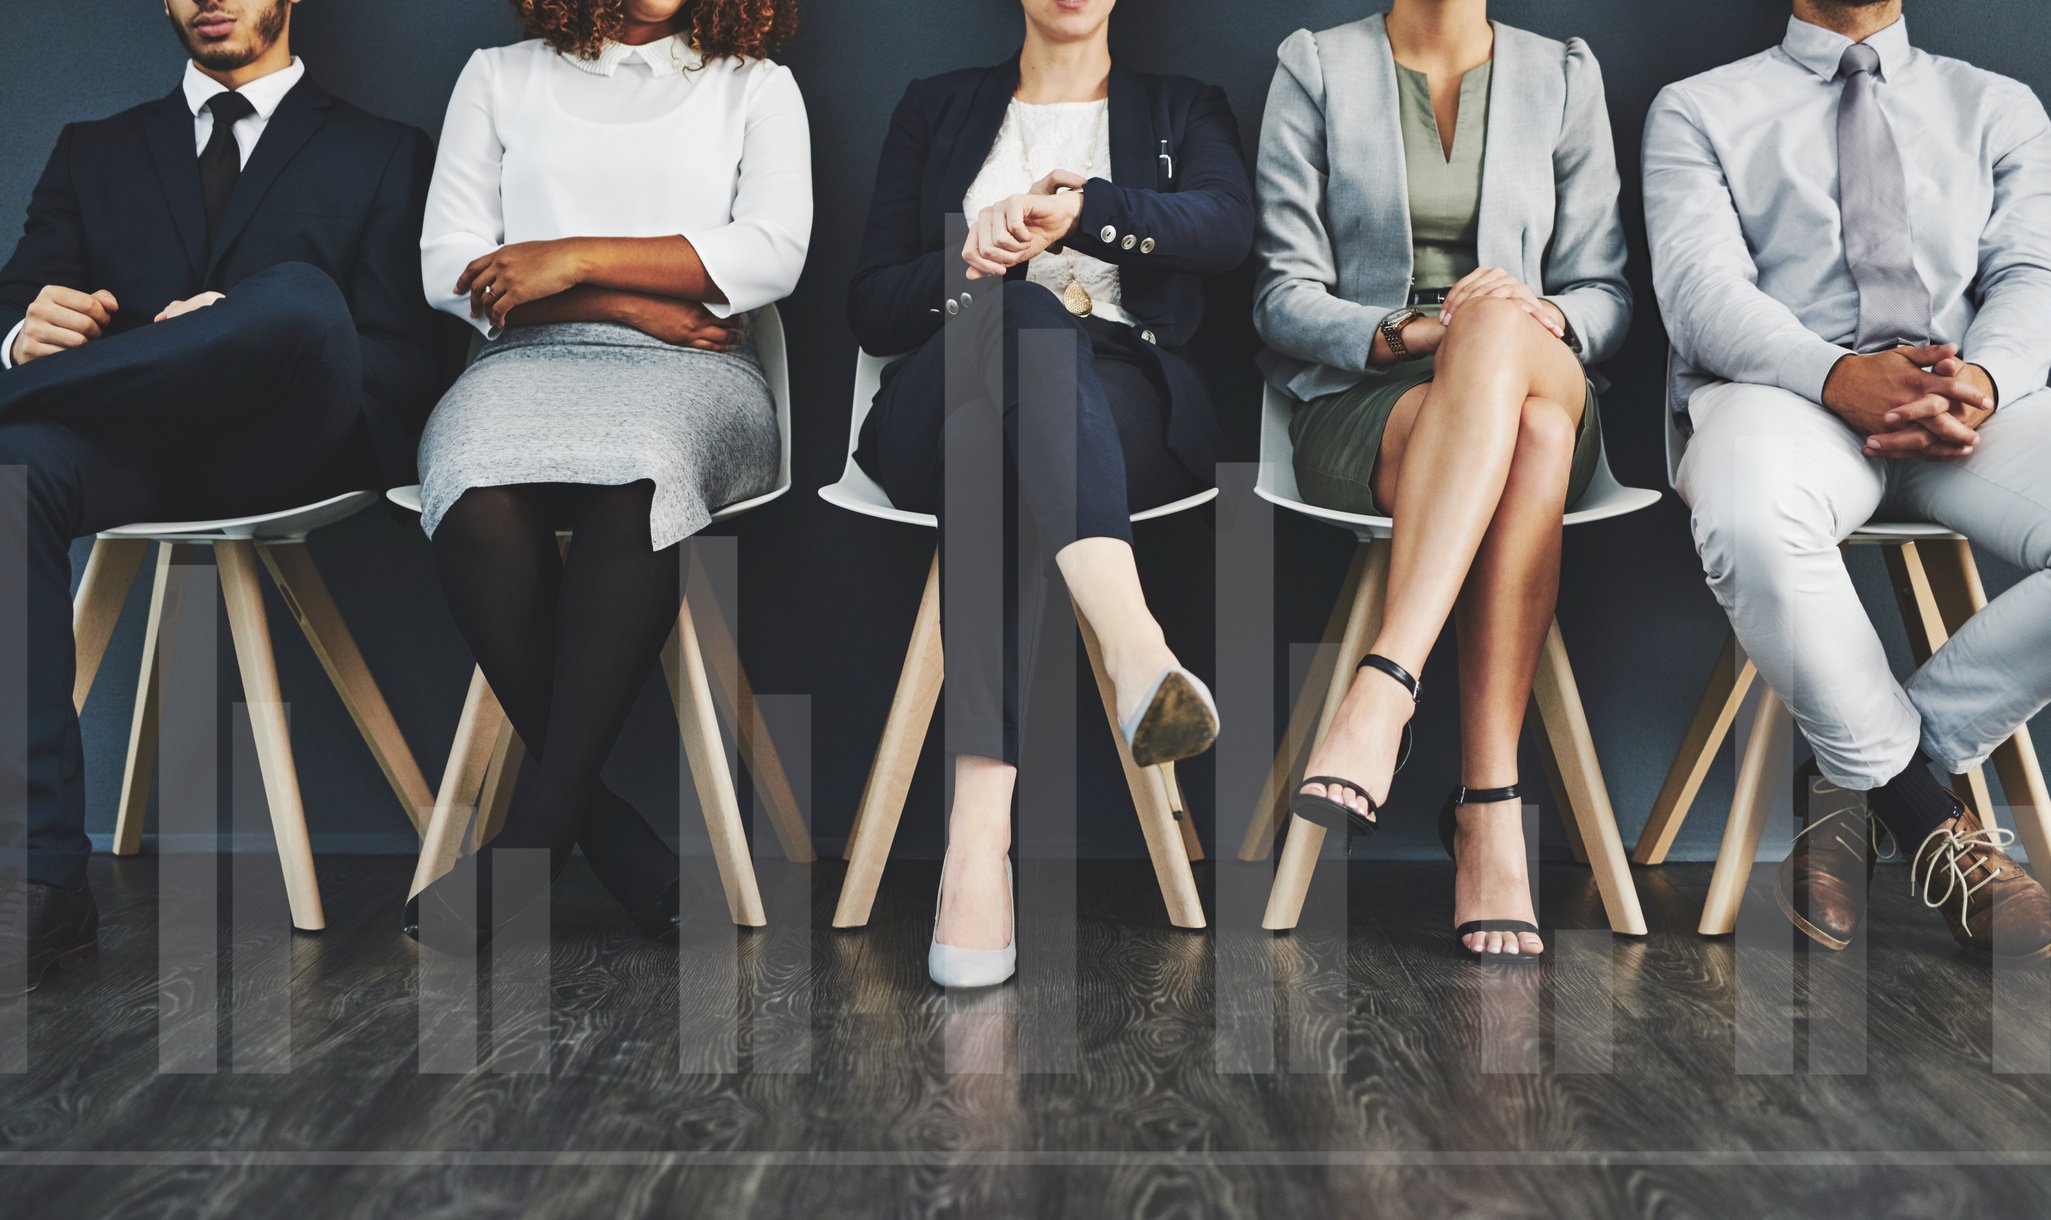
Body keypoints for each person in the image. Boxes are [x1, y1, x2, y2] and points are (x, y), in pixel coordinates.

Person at [0, 0, 446, 996]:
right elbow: (23, 293)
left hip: (290, 446)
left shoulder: (383, 150)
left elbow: (410, 357)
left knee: (292, 297)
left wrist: (236, 331)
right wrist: (22, 335)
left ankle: (244, 322)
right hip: (130, 450)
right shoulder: (93, 150)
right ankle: (42, 884)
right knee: (12, 470)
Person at [848, 0, 1252, 987]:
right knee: (1018, 315)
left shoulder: (1181, 107)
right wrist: (966, 258)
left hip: (1117, 406)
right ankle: (1132, 646)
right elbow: (869, 301)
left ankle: (975, 844)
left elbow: (1224, 229)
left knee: (996, 446)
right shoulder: (934, 107)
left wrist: (1088, 215)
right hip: (940, 383)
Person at [1645, 0, 2051, 959]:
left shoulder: (1998, 105)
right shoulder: (1697, 108)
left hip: (1970, 400)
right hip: (1787, 395)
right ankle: (1921, 813)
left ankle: (1864, 773)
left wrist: (1982, 380)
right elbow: (1699, 292)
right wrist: (1836, 378)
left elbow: (2034, 271)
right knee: (1745, 513)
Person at [405, 0, 809, 945]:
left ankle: (540, 833)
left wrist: (573, 257)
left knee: (641, 476)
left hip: (697, 370)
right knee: (465, 477)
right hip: (522, 358)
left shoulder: (755, 87)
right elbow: (443, 266)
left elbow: (771, 254)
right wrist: (628, 303)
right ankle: (599, 826)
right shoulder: (499, 75)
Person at [1253, 0, 1630, 958]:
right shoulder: (1317, 66)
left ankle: (1385, 683)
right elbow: (1280, 294)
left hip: (1535, 351)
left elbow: (1606, 295)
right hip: (1374, 400)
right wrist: (1412, 331)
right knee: (1535, 442)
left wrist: (1511, 318)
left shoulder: (1563, 71)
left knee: (1507, 341)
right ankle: (1490, 808)